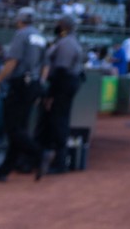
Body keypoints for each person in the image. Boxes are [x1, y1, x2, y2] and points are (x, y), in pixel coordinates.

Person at [0, 7, 48, 182]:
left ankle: (38, 153)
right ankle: (4, 171)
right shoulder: (40, 37)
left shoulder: (21, 35)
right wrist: (40, 83)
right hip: (34, 83)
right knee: (20, 128)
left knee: (12, 128)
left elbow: (12, 61)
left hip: (20, 84)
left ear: (19, 19)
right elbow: (46, 65)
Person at [39, 14, 83, 175]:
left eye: (58, 24)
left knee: (59, 121)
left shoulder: (67, 43)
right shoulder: (68, 41)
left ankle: (60, 162)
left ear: (63, 25)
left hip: (64, 84)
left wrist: (50, 93)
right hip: (66, 83)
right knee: (57, 120)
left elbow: (61, 70)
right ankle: (56, 159)